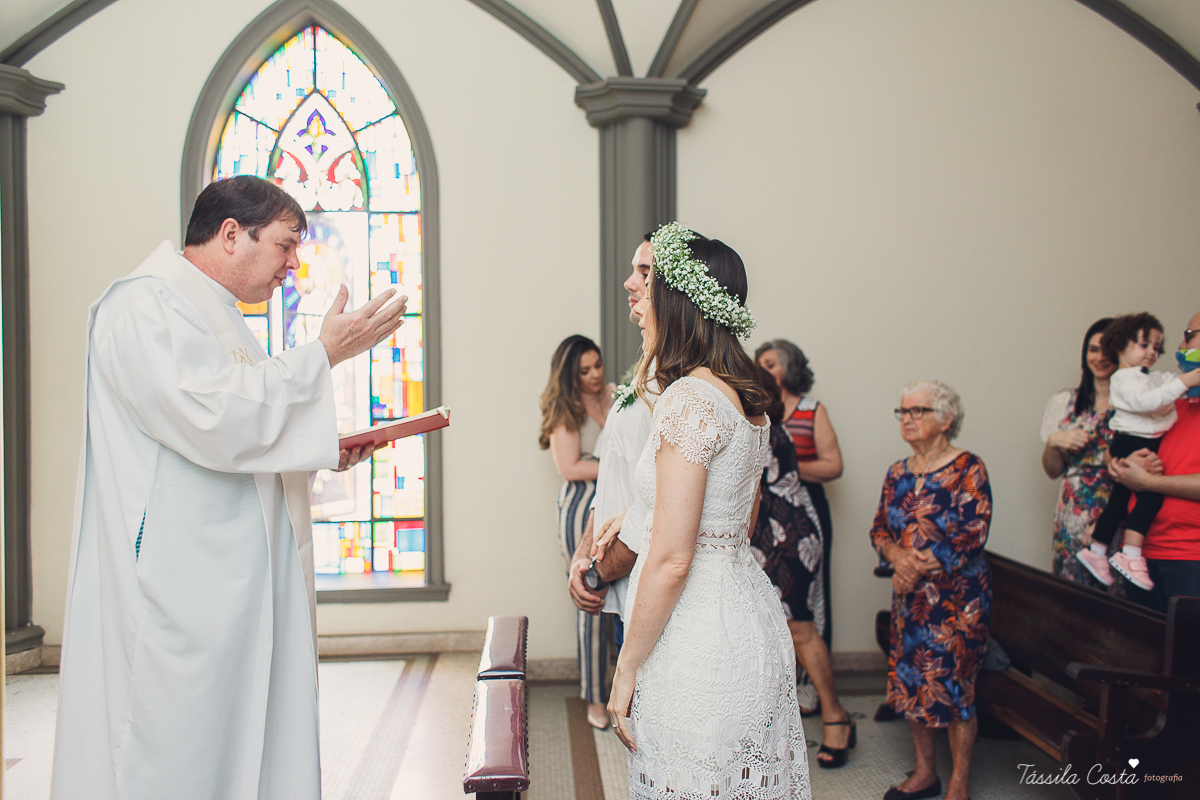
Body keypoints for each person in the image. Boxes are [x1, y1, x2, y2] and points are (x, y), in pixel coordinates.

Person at [52, 176, 405, 800]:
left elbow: (241, 431)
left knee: (241, 751)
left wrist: (320, 451)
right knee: (179, 759)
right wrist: (323, 353)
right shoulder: (143, 307)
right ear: (231, 233)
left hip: (230, 596)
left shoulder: (211, 314)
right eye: (286, 244)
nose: (294, 265)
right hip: (179, 597)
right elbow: (212, 417)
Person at [608, 222, 810, 799]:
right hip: (749, 616)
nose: (634, 290)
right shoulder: (743, 398)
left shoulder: (689, 399)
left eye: (648, 280)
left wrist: (626, 668)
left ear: (679, 298)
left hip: (698, 634)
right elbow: (731, 523)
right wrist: (631, 517)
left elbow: (673, 558)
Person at [871, 381, 991, 800]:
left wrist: (912, 566)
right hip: (912, 602)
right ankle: (926, 773)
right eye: (902, 411)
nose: (907, 418)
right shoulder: (898, 472)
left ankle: (958, 782)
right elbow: (880, 530)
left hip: (957, 600)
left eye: (917, 411)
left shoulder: (967, 467)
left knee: (956, 686)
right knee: (911, 681)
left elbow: (973, 530)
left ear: (947, 418)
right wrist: (898, 559)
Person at [566, 235, 653, 731]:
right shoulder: (639, 378)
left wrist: (598, 571)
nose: (629, 282)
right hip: (620, 580)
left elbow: (655, 509)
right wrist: (583, 554)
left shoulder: (678, 388)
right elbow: (611, 486)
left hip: (642, 587)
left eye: (643, 271)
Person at [751, 366, 852, 768]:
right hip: (761, 539)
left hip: (788, 538)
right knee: (767, 632)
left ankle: (836, 716)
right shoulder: (756, 424)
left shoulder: (765, 428)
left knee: (800, 630)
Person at [1077, 313, 1200, 590]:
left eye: (1189, 335)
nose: (1180, 347)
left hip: (1190, 559)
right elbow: (1122, 442)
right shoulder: (1174, 401)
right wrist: (1121, 462)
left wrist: (1148, 482)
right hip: (1141, 551)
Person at [539, 334, 613, 726]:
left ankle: (622, 689)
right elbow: (569, 468)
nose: (595, 375)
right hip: (579, 507)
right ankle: (595, 698)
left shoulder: (618, 396)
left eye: (597, 365)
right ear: (570, 375)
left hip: (616, 504)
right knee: (590, 599)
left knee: (621, 598)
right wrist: (621, 467)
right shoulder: (565, 410)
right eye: (584, 371)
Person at [1039, 317, 1116, 588]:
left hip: (1117, 506)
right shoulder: (1064, 402)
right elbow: (1052, 471)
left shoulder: (1137, 405)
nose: (1100, 356)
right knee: (1073, 589)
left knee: (1117, 591)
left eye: (1108, 348)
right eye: (1093, 349)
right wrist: (1054, 442)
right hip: (1073, 511)